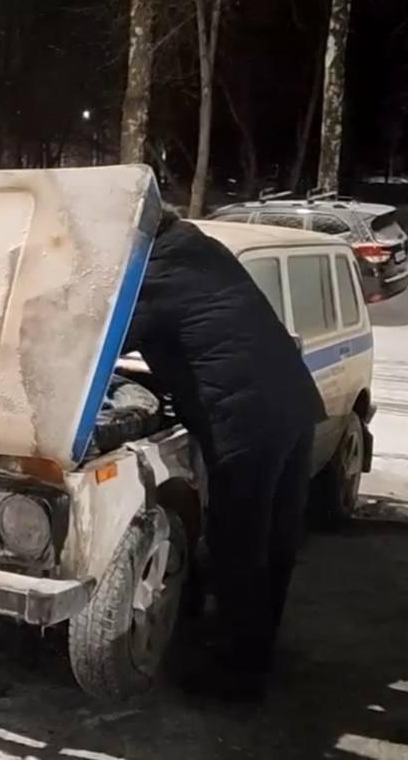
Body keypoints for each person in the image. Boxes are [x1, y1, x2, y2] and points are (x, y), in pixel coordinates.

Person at [124, 207, 325, 700]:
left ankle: (236, 676)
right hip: (293, 404)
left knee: (238, 542)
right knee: (276, 539)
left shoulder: (153, 271)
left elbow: (101, 342)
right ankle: (258, 648)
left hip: (246, 419)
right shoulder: (199, 247)